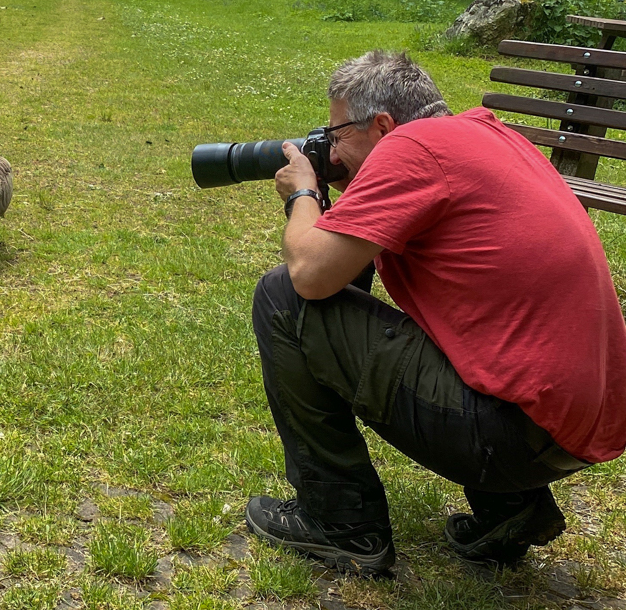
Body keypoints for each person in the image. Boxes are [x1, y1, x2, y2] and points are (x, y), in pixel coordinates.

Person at [246, 50, 626, 574]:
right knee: (471, 327)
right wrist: (356, 193)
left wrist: (304, 193)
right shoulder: (487, 135)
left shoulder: (410, 148)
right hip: (570, 427)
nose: (333, 151)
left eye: (337, 137)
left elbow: (310, 276)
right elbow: (343, 287)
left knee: (280, 297)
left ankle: (341, 523)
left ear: (383, 124)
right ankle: (510, 511)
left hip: (511, 434)